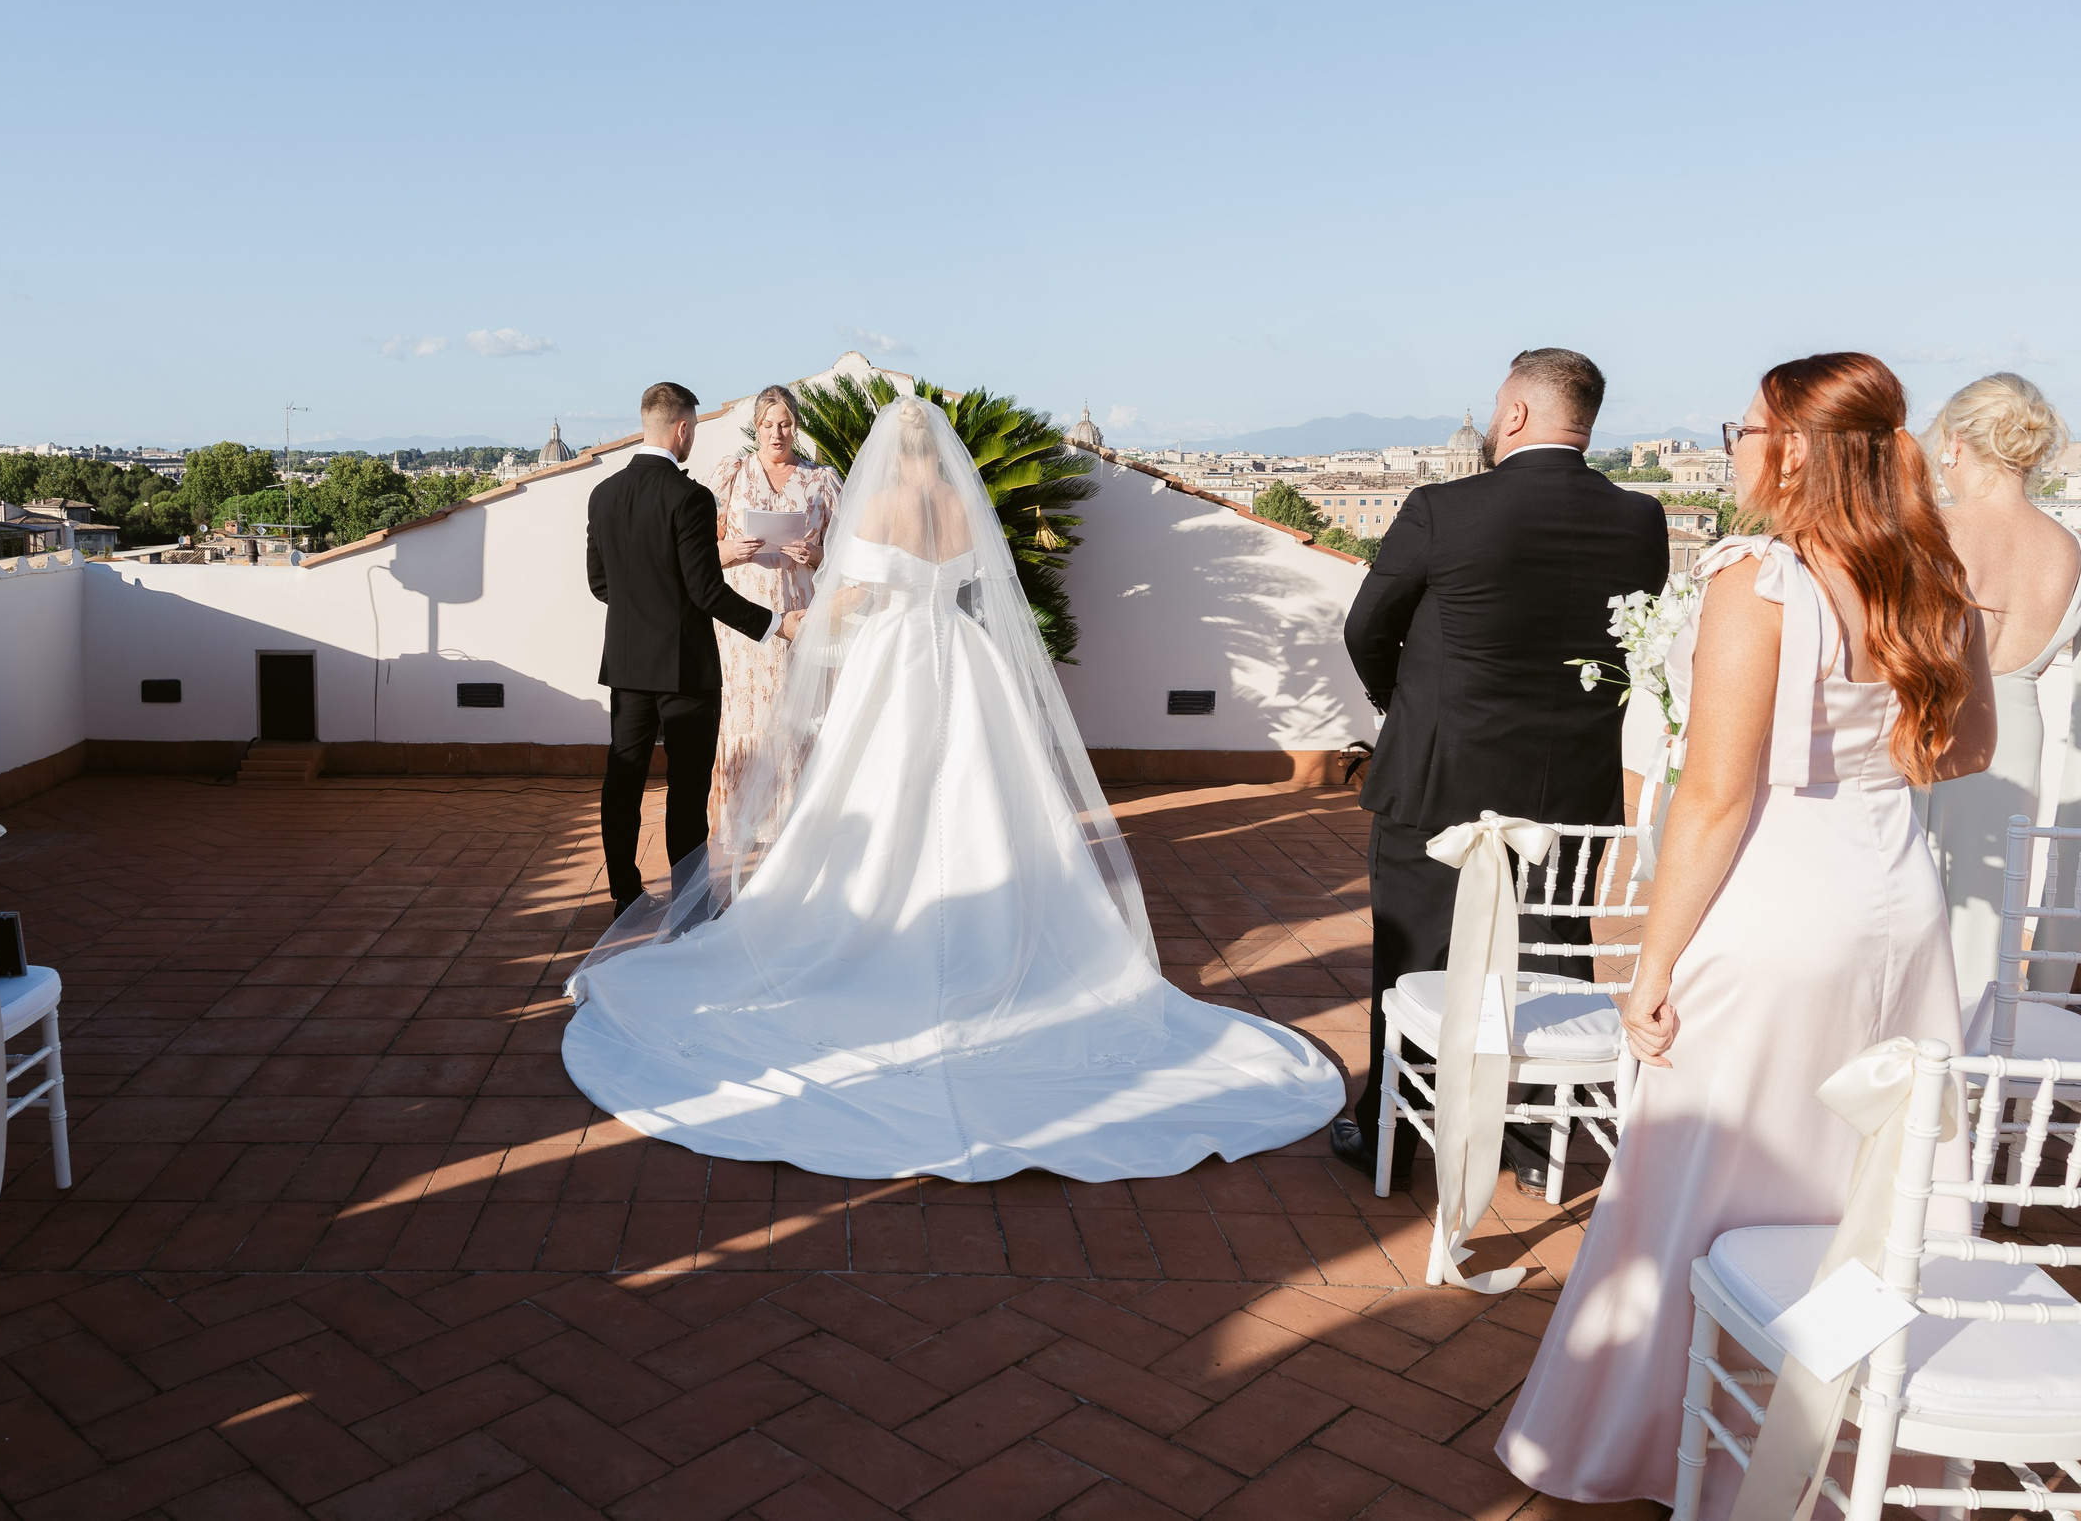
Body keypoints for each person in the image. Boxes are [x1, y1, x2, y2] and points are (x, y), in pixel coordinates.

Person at [561, 398, 1343, 1179]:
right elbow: (978, 591)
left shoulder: (887, 503)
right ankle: (992, 935)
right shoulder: (961, 509)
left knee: (876, 790)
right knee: (979, 793)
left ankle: (882, 922)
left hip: (894, 659)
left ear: (887, 455)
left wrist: (806, 625)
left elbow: (856, 593)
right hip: (963, 659)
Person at [1499, 353, 1993, 1513]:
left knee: (1700, 1176)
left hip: (1775, 912)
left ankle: (1651, 1438)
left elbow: (1716, 798)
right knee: (1863, 1186)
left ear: (1792, 449)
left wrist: (1649, 968)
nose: (1731, 445)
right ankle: (1849, 1445)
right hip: (1897, 907)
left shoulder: (1757, 579)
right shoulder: (1931, 573)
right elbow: (1961, 757)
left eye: (1743, 427)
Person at [1331, 349, 1668, 1190]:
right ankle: (1531, 1140)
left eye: (1495, 406)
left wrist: (1400, 706)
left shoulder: (1442, 509)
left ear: (1515, 413)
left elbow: (1367, 628)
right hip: (1570, 793)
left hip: (1436, 783)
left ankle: (1392, 1132)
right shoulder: (1642, 522)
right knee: (1552, 957)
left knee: (1414, 958)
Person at [587, 381, 802, 917]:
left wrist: (647, 609)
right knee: (685, 789)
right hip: (686, 669)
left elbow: (600, 583)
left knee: (624, 778)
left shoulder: (604, 494)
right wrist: (779, 624)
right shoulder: (690, 497)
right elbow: (707, 592)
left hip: (628, 665)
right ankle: (688, 900)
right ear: (682, 429)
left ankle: (624, 894)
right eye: (694, 430)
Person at [1916, 373, 2081, 1020]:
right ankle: (1980, 1069)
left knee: (1919, 898)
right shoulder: (2067, 548)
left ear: (1955, 444)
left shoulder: (1933, 531)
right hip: (2018, 737)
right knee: (1993, 911)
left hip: (1937, 731)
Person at [706, 384, 841, 827]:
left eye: (784, 424)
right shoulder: (732, 475)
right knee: (748, 713)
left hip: (802, 614)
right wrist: (730, 550)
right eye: (768, 424)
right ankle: (746, 822)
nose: (776, 433)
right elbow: (700, 549)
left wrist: (817, 556)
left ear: (796, 426)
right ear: (756, 427)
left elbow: (849, 559)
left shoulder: (821, 481)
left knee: (796, 712)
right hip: (742, 618)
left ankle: (796, 822)